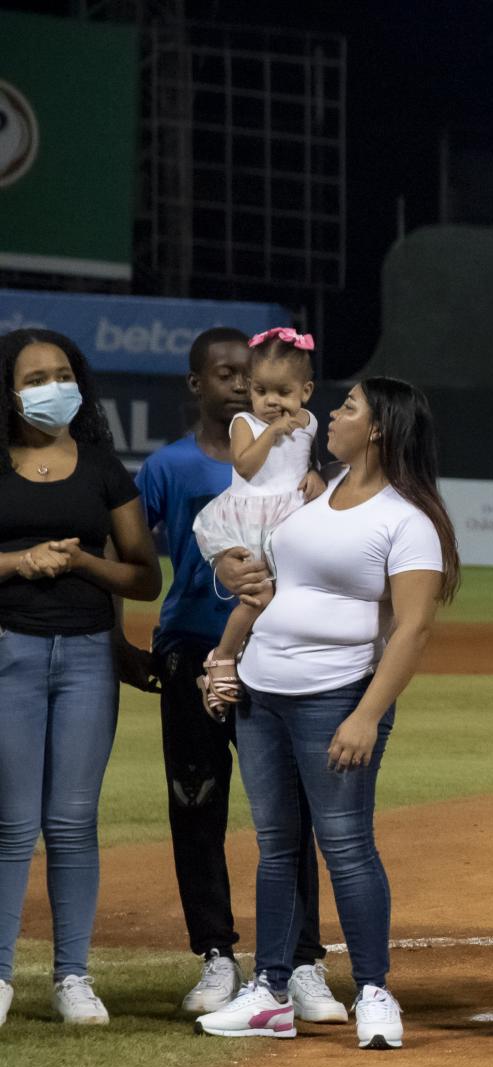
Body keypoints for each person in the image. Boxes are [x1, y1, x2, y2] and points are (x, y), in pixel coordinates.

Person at [195, 378, 459, 1050]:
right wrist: (224, 661)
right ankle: (271, 992)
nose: (332, 416)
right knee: (277, 847)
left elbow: (412, 629)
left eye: (347, 407)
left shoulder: (407, 521)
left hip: (336, 698)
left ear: (377, 430)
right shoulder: (313, 501)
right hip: (261, 696)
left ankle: (373, 990)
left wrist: (368, 714)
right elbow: (269, 593)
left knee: (346, 846)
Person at [128, 327, 336, 1021]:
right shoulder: (169, 468)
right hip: (191, 642)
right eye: (231, 375)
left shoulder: (301, 446)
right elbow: (131, 557)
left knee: (292, 811)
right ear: (203, 385)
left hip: (281, 646)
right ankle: (216, 952)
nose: (247, 386)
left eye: (256, 375)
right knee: (197, 803)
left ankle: (301, 959)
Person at [0, 329, 163, 1027]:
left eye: (62, 373)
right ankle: (1, 976)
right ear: (9, 391)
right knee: (11, 824)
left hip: (89, 657)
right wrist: (19, 563)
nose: (51, 387)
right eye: (34, 377)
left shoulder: (102, 467)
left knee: (72, 823)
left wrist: (80, 565)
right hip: (10, 650)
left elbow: (144, 572)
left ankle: (72, 976)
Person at [189, 327, 327, 716]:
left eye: (283, 392)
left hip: (292, 518)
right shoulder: (244, 424)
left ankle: (255, 662)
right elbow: (245, 466)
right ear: (250, 389)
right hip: (252, 518)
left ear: (306, 391)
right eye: (261, 391)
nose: (271, 401)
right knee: (258, 596)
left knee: (289, 598)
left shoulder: (311, 423)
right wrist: (272, 431)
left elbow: (305, 462)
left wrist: (315, 474)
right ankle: (222, 658)